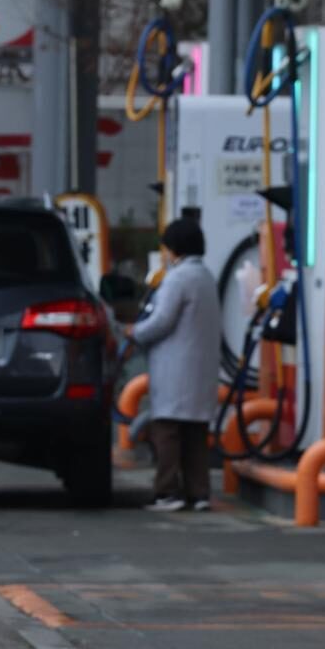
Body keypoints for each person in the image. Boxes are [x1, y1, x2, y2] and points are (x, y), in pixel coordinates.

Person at [127, 218, 222, 511]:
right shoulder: (206, 276)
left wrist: (134, 332)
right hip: (201, 370)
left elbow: (161, 321)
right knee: (195, 434)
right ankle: (199, 493)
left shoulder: (178, 279)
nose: (165, 254)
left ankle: (167, 492)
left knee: (167, 431)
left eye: (166, 247)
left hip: (175, 369)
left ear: (175, 249)